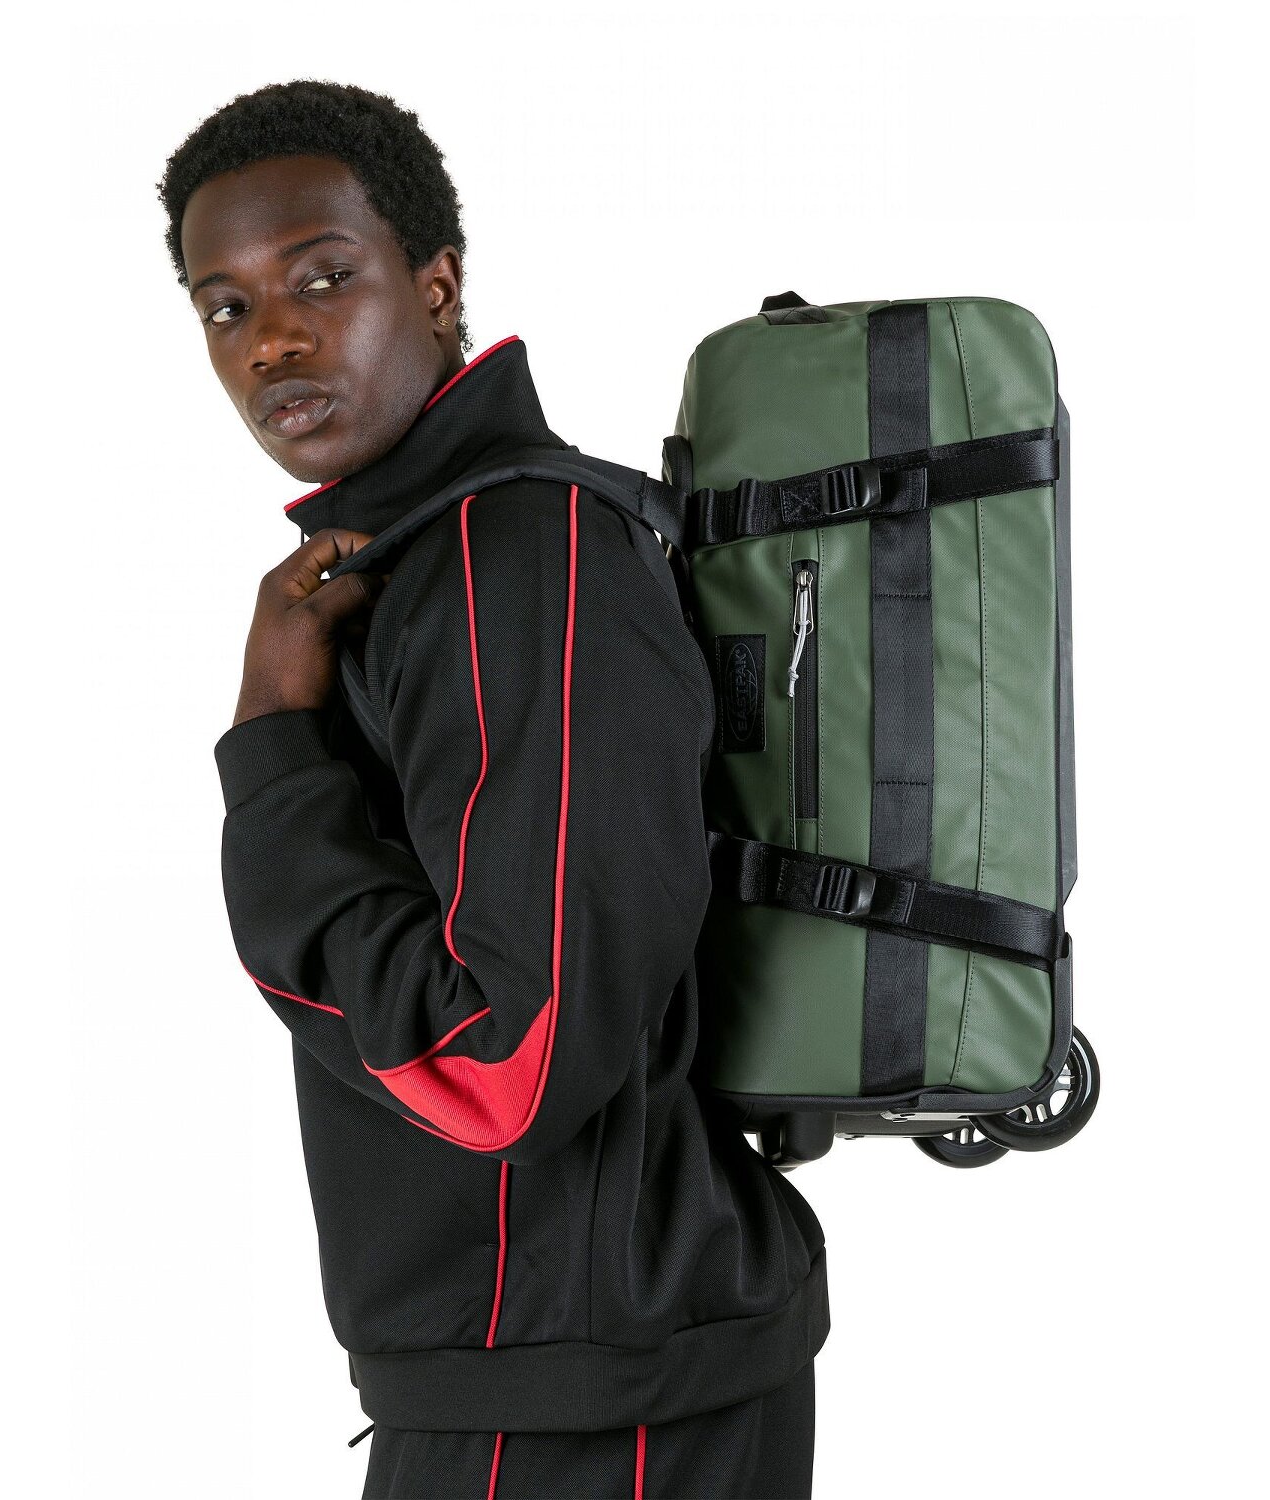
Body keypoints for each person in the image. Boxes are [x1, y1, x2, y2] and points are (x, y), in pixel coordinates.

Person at [157, 80, 828, 1500]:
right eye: (225, 306)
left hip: (593, 1402)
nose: (272, 338)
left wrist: (271, 748)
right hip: (541, 1376)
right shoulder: (416, 563)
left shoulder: (519, 558)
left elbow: (506, 1060)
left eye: (321, 278)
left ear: (437, 284)